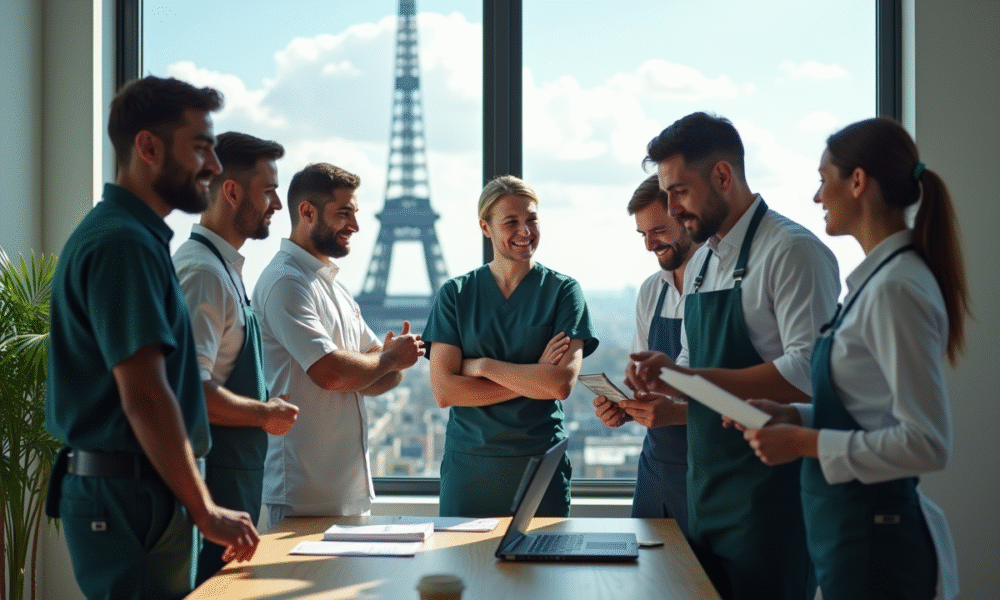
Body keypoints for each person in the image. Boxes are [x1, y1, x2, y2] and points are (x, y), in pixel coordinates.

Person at [45, 76, 259, 600]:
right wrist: (203, 508)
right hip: (132, 495)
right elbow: (144, 394)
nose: (213, 165)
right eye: (201, 147)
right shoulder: (125, 244)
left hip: (132, 490)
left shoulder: (127, 235)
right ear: (147, 146)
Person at [741, 118, 966, 600]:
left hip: (879, 548)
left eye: (824, 180)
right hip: (852, 538)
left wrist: (803, 441)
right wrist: (795, 414)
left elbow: (927, 444)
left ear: (858, 182)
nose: (818, 197)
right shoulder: (875, 283)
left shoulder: (894, 291)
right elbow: (871, 410)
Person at [629, 112, 840, 600]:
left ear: (722, 176)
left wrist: (683, 376)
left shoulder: (793, 253)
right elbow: (690, 365)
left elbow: (809, 373)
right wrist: (662, 381)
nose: (672, 208)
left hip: (769, 503)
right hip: (704, 496)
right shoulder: (702, 261)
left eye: (679, 191)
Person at [252, 162, 423, 524]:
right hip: (302, 495)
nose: (356, 226)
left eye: (355, 214)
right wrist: (389, 359)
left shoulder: (334, 287)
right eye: (344, 213)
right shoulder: (286, 283)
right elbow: (332, 374)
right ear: (307, 212)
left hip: (345, 493)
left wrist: (381, 364)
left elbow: (379, 379)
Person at [423, 175, 599, 517]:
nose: (525, 231)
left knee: (543, 565)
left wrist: (482, 366)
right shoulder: (456, 295)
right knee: (465, 570)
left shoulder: (564, 292)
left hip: (540, 468)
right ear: (485, 228)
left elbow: (559, 384)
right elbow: (445, 392)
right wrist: (532, 375)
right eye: (511, 222)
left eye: (532, 219)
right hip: (469, 469)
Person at [172, 131, 300, 583]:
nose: (277, 205)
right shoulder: (203, 274)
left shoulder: (222, 269)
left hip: (232, 484)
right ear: (231, 191)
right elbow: (188, 391)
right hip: (215, 489)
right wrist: (265, 413)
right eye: (268, 191)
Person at [592, 174, 698, 530]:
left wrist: (675, 413)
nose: (649, 245)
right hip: (656, 466)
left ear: (686, 218)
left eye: (658, 230)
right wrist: (625, 408)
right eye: (643, 234)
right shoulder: (652, 290)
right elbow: (644, 383)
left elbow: (744, 400)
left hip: (707, 468)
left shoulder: (723, 288)